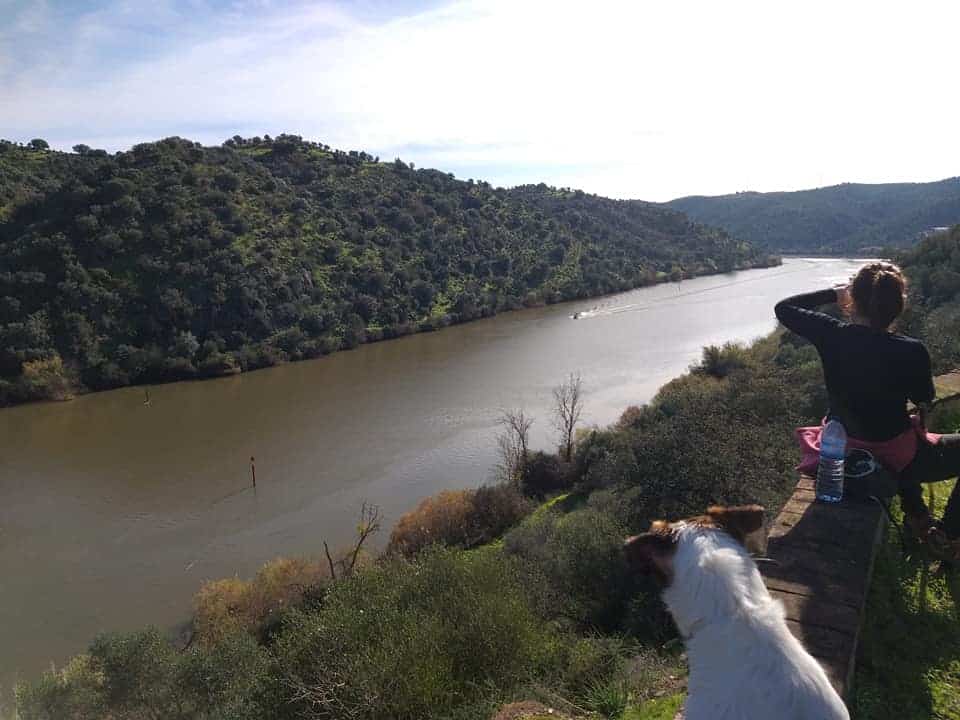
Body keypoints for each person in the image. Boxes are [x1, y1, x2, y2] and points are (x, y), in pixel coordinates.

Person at [775, 261, 960, 563]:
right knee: (910, 443)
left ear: (853, 300)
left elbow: (784, 308)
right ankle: (947, 537)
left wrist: (834, 295)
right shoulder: (912, 350)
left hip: (842, 449)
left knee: (902, 444)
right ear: (898, 307)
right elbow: (923, 398)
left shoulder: (832, 334)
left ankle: (918, 518)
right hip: (895, 453)